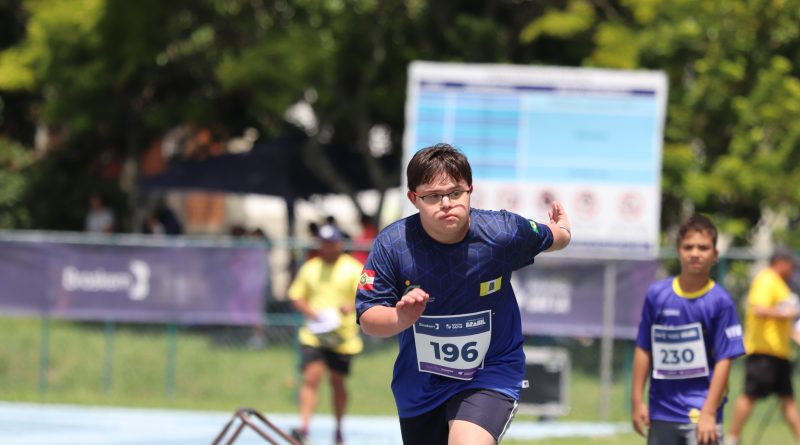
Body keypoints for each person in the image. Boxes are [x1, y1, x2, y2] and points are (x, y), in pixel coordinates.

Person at [354, 143, 571, 445]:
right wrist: (400, 317)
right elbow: (368, 317)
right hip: (421, 386)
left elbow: (552, 236)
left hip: (490, 373)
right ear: (413, 199)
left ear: (470, 190)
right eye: (432, 196)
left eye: (456, 193)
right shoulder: (393, 245)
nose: (446, 203)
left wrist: (564, 230)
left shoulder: (501, 233)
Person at [631, 214, 746, 445]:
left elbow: (725, 359)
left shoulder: (720, 302)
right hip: (661, 412)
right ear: (678, 250)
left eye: (703, 247)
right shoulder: (657, 295)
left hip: (701, 413)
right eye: (688, 247)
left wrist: (709, 412)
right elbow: (644, 348)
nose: (695, 253)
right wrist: (636, 401)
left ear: (715, 255)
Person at [288, 223, 364, 445]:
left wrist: (349, 308)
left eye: (332, 244)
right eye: (324, 244)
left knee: (337, 382)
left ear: (340, 244)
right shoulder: (311, 268)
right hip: (315, 335)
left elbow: (365, 296)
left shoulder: (352, 268)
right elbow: (296, 296)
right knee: (311, 376)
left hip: (343, 337)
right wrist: (313, 314)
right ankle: (303, 428)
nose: (328, 248)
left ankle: (338, 428)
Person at [726, 248, 800, 445]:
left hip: (780, 353)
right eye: (791, 265)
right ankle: (732, 439)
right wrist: (785, 314)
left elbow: (784, 321)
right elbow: (758, 308)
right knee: (750, 396)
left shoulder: (781, 285)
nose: (792, 270)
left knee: (788, 400)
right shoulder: (766, 279)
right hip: (763, 353)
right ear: (780, 262)